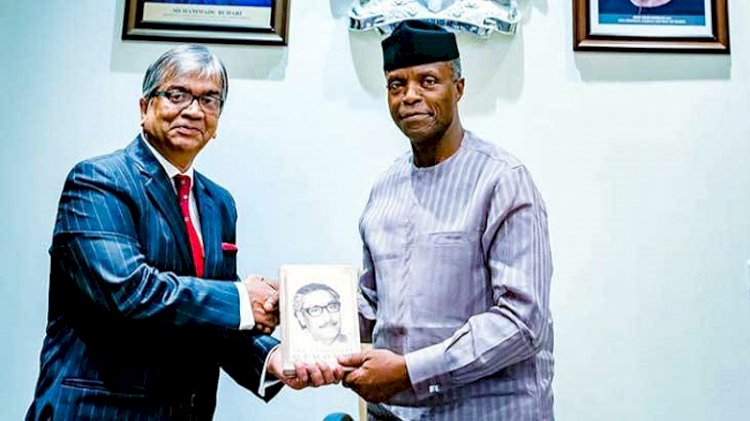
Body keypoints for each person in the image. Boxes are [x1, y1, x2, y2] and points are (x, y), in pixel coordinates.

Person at [26, 44, 341, 420]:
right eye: (177, 95)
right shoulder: (98, 182)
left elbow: (207, 312)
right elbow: (129, 291)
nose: (193, 111)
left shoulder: (218, 203)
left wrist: (273, 357)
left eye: (209, 100)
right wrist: (242, 300)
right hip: (98, 412)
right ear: (145, 107)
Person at [338, 20, 554, 420]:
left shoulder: (502, 181)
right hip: (392, 413)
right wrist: (301, 314)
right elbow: (372, 304)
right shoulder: (384, 189)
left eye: (428, 81)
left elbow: (522, 323)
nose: (410, 96)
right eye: (396, 85)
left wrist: (410, 371)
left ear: (458, 88)